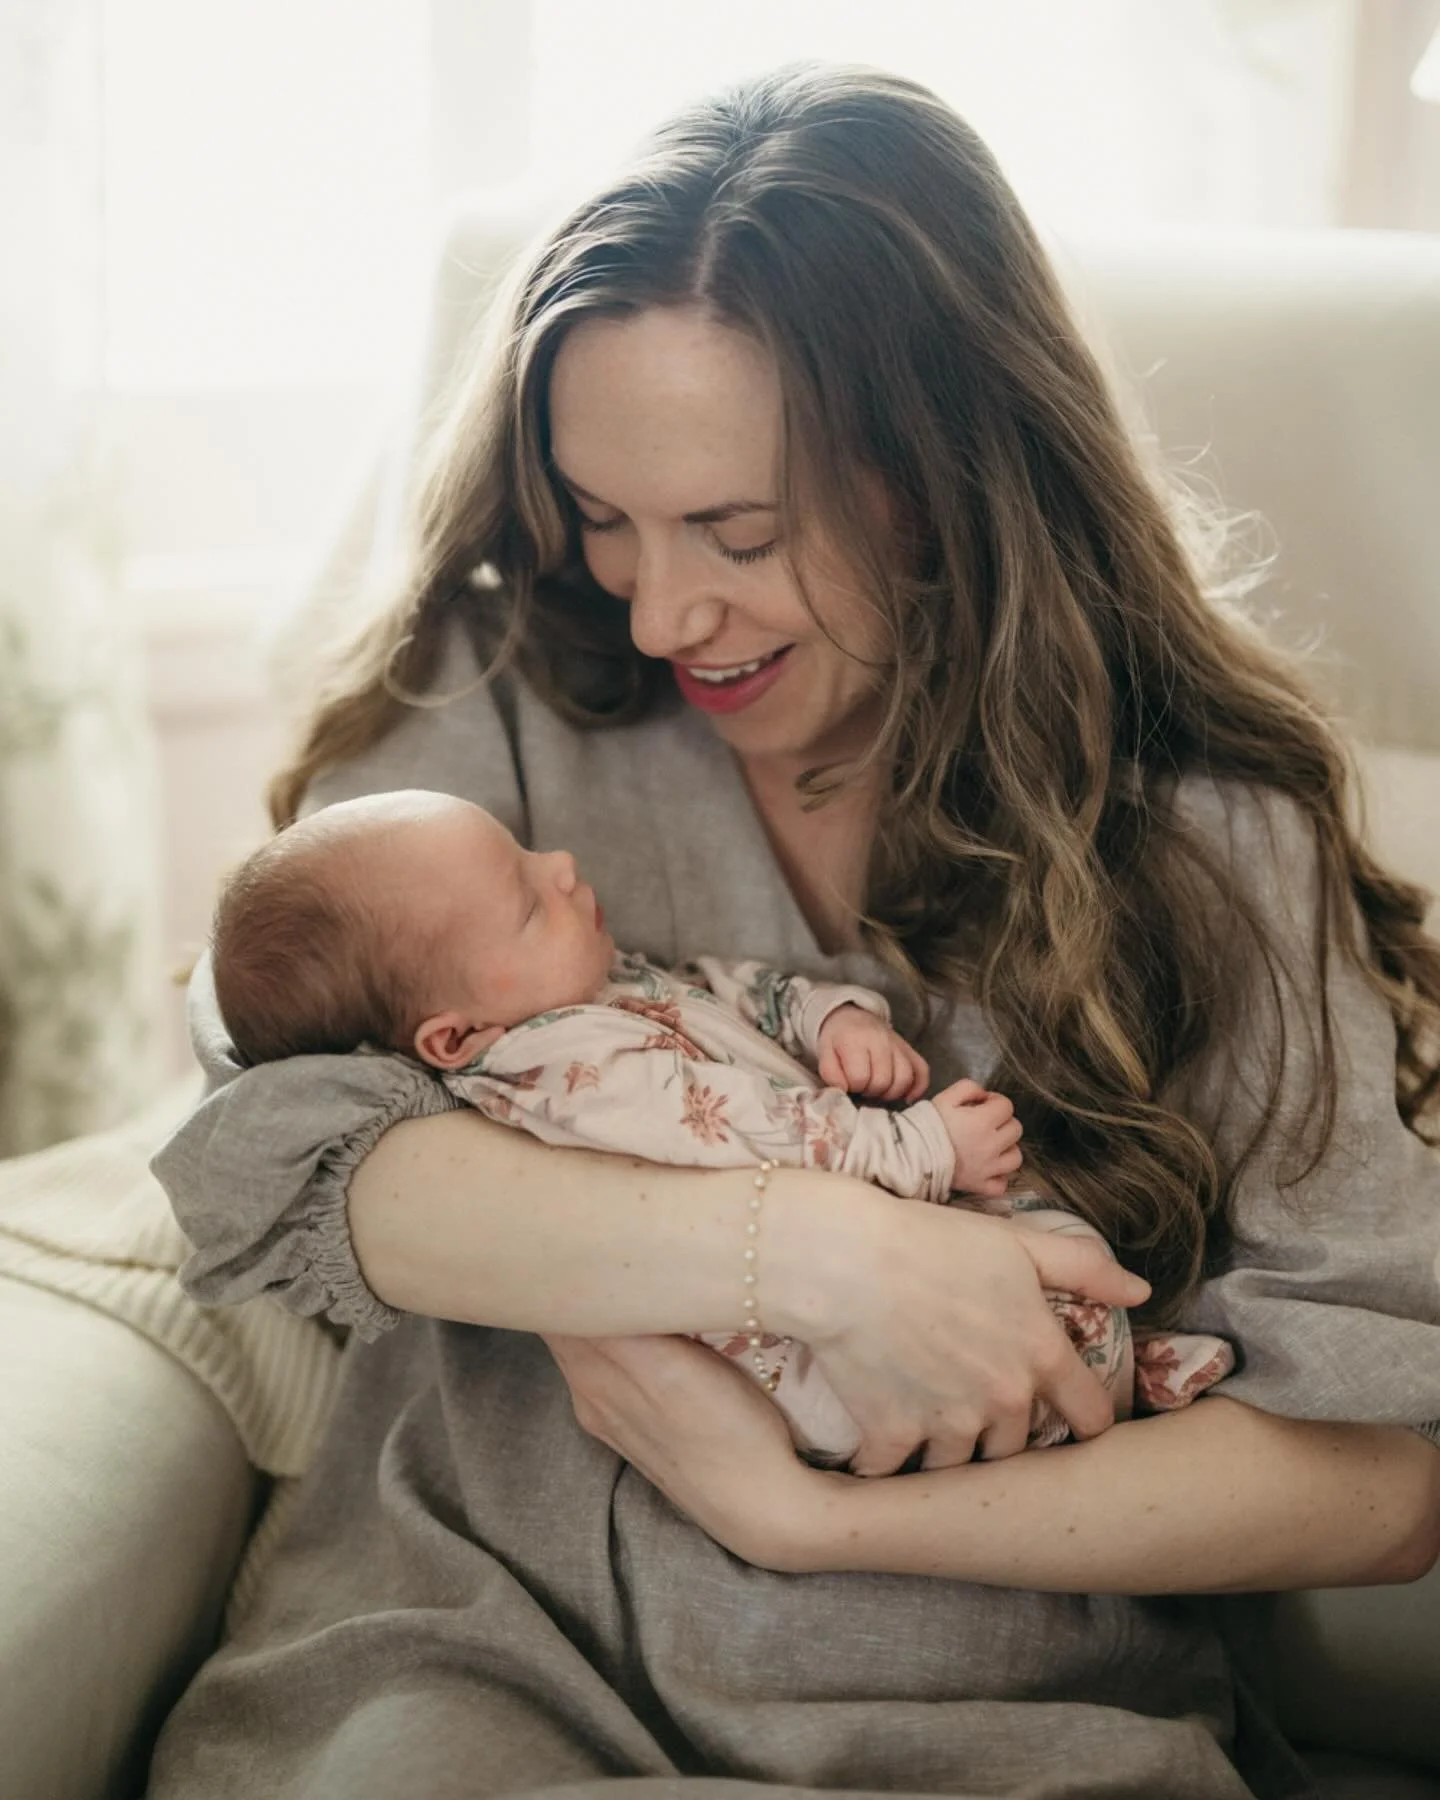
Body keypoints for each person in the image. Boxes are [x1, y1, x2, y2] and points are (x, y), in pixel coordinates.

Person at [148, 62, 1440, 1800]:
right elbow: (261, 1153)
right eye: (602, 518)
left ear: (936, 478)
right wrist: (838, 1257)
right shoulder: (507, 704)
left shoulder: (1217, 838)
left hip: (993, 1727)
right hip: (475, 1652)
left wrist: (801, 1518)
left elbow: (1382, 1481)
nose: (659, 607)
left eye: (735, 533)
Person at [205, 787, 1233, 1462]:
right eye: (526, 900)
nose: (562, 863)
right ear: (449, 1036)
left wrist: (829, 1017)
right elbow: (735, 1133)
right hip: (788, 1351)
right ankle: (1105, 1393)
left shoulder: (593, 984)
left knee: (1045, 1246)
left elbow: (727, 993)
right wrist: (915, 1146)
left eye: (528, 852)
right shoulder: (561, 1073)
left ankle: (1119, 1373)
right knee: (997, 1297)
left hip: (855, 1237)